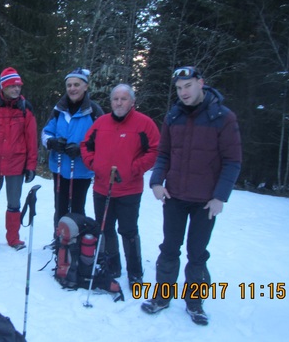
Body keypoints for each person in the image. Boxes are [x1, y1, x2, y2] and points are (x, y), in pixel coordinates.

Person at [140, 66, 242, 326]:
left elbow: (232, 161)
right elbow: (163, 153)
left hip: (205, 201)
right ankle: (162, 297)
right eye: (178, 88)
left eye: (187, 86)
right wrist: (156, 182)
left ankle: (194, 303)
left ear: (200, 83)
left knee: (197, 254)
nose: (183, 92)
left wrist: (220, 196)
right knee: (169, 248)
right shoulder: (173, 116)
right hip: (174, 196)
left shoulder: (223, 117)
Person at [81, 83, 160, 288]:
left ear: (132, 102)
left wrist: (134, 168)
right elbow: (86, 145)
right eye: (115, 99)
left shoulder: (145, 124)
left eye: (123, 99)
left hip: (129, 189)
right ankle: (113, 265)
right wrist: (94, 164)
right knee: (105, 228)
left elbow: (154, 150)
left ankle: (135, 271)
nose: (119, 102)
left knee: (128, 230)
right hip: (101, 187)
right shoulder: (101, 122)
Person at [0, 67, 38, 251]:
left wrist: (31, 165)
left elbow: (32, 140)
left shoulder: (26, 108)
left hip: (17, 165)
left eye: (18, 86)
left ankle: (13, 238)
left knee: (14, 203)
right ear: (3, 86)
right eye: (12, 86)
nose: (16, 89)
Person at [41, 67, 103, 240]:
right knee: (60, 207)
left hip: (82, 170)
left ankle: (76, 242)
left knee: (77, 207)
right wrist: (52, 142)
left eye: (76, 84)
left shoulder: (94, 111)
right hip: (60, 167)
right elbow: (46, 132)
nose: (72, 88)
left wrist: (82, 149)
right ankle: (59, 240)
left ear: (85, 87)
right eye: (69, 85)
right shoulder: (59, 109)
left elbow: (103, 140)